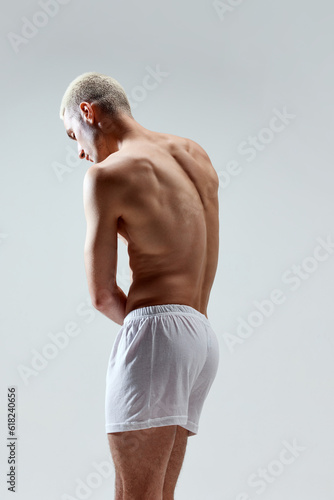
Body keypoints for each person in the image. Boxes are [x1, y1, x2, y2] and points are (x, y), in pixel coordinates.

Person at [59, 72, 220, 500]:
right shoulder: (193, 154)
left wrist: (148, 337)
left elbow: (102, 295)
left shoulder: (107, 176)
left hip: (158, 333)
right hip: (201, 337)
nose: (78, 151)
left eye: (73, 134)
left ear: (88, 112)